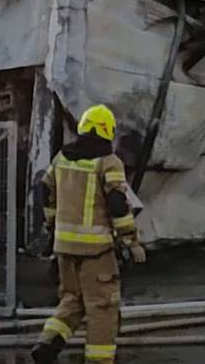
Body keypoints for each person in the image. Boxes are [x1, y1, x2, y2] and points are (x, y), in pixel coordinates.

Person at [32, 104, 145, 364]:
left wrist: (51, 224)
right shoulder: (108, 162)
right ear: (108, 131)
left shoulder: (61, 158)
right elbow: (118, 203)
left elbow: (45, 189)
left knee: (72, 299)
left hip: (64, 247)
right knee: (102, 308)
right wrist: (130, 241)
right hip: (97, 252)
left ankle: (47, 343)